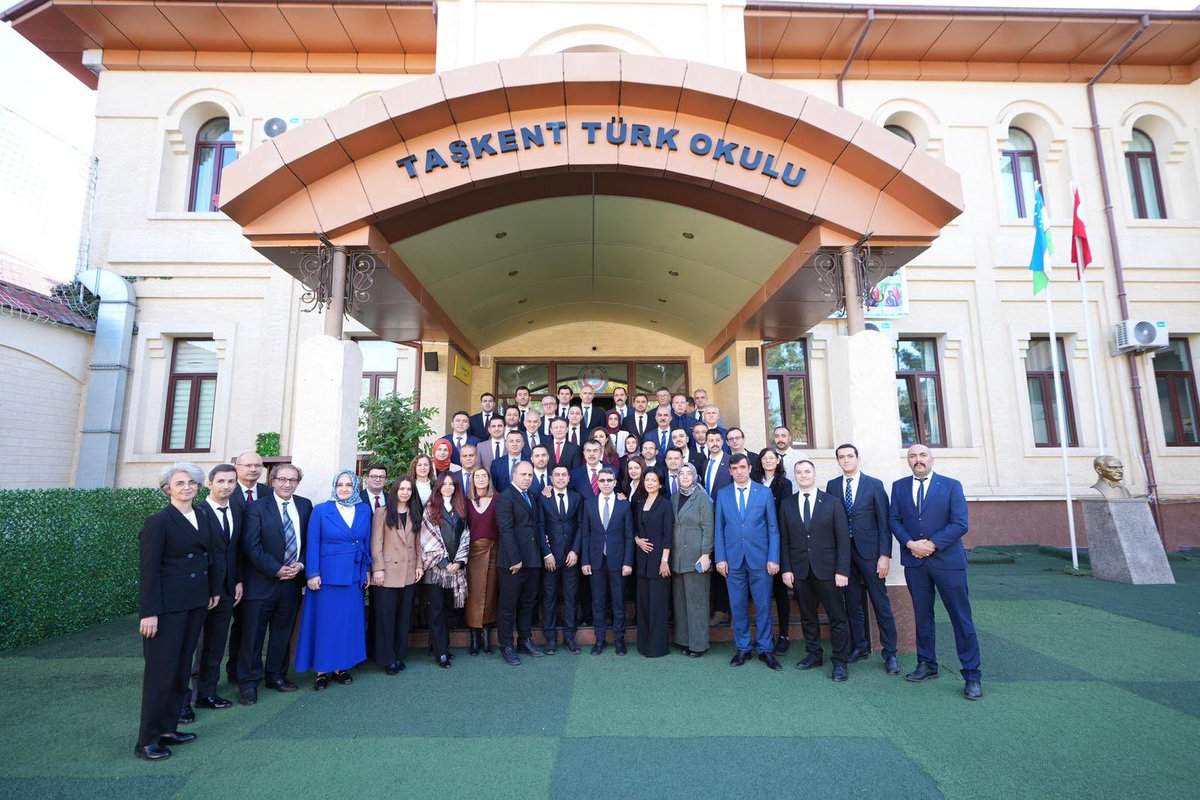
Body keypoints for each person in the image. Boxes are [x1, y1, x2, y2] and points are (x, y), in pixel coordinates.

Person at [135, 462, 221, 761]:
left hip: (195, 603)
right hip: (167, 609)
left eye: (191, 483)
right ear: (167, 489)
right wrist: (149, 612)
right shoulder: (158, 522)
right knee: (161, 674)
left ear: (199, 487)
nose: (187, 487)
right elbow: (148, 571)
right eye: (180, 483)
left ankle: (168, 729)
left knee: (181, 669)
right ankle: (147, 741)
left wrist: (212, 590)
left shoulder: (203, 516)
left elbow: (209, 557)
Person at [890, 444, 982, 701]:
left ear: (932, 459)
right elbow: (894, 520)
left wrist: (931, 545)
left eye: (922, 455)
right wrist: (911, 544)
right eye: (912, 456)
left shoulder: (951, 486)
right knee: (922, 616)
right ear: (908, 461)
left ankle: (972, 675)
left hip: (948, 563)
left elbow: (960, 523)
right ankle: (927, 663)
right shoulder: (899, 487)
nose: (917, 459)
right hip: (915, 563)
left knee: (960, 618)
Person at [238, 463, 311, 706]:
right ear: (272, 481)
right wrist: (276, 569)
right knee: (253, 635)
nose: (287, 484)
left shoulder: (305, 505)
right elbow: (251, 546)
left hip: (292, 583)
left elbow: (309, 542)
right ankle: (248, 683)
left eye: (292, 480)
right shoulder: (256, 508)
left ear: (297, 483)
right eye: (282, 479)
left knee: (282, 632)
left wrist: (301, 564)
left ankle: (276, 676)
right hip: (262, 583)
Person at [294, 470, 372, 690]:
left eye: (349, 485)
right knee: (325, 623)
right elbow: (313, 543)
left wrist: (366, 570)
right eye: (340, 485)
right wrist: (312, 573)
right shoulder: (321, 510)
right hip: (326, 577)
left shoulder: (364, 509)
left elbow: (366, 542)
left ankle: (341, 667)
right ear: (334, 487)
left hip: (353, 575)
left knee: (347, 623)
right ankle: (321, 670)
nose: (344, 489)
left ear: (355, 487)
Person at [826, 443, 899, 675]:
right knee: (852, 603)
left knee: (880, 602)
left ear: (858, 458)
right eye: (841, 457)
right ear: (838, 461)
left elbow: (884, 523)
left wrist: (884, 555)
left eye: (850, 456)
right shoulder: (832, 485)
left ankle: (890, 653)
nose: (846, 460)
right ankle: (860, 645)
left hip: (871, 554)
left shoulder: (874, 485)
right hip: (845, 555)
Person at [780, 460, 851, 682]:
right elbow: (784, 540)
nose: (803, 475)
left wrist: (842, 570)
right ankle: (814, 654)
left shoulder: (832, 502)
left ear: (814, 474)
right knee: (807, 616)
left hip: (829, 571)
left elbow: (843, 540)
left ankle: (840, 662)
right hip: (800, 571)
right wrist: (786, 569)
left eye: (807, 471)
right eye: (799, 472)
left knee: (837, 617)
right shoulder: (787, 504)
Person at [714, 454, 781, 671]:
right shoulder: (723, 494)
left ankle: (765, 648)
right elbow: (719, 529)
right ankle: (743, 648)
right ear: (730, 471)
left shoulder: (764, 492)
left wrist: (773, 558)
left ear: (750, 468)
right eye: (734, 468)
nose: (739, 471)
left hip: (760, 559)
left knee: (763, 605)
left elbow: (773, 528)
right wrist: (720, 558)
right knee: (738, 606)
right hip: (733, 560)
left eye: (742, 467)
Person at [188, 463, 242, 719]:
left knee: (216, 643)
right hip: (203, 591)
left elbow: (235, 551)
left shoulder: (238, 511)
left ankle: (207, 693)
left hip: (228, 590)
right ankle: (189, 695)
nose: (226, 486)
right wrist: (210, 589)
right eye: (221, 481)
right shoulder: (197, 512)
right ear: (210, 484)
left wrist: (238, 581)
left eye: (231, 481)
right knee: (195, 644)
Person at [494, 461, 552, 665]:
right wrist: (515, 559)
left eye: (530, 475)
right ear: (514, 475)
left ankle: (524, 641)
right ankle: (506, 645)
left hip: (532, 560)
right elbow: (506, 530)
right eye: (523, 474)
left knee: (528, 604)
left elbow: (536, 527)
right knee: (508, 606)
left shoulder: (533, 497)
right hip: (513, 563)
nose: (527, 478)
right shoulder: (505, 497)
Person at [370, 477, 422, 675]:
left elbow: (418, 543)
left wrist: (419, 565)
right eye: (402, 489)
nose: (405, 492)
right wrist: (378, 569)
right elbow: (376, 543)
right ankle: (387, 658)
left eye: (409, 489)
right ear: (395, 491)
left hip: (409, 571)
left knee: (403, 617)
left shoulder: (415, 513)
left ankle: (399, 655)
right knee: (386, 618)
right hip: (387, 572)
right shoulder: (382, 513)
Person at [580, 466, 633, 655]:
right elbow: (585, 534)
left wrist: (628, 562)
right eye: (602, 480)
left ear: (614, 482)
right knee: (598, 601)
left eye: (609, 480)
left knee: (618, 601)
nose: (605, 483)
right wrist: (585, 560)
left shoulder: (624, 505)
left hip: (618, 560)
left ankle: (619, 640)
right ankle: (599, 640)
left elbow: (629, 536)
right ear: (597, 482)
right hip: (596, 560)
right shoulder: (589, 503)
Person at [420, 472, 470, 669]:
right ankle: (440, 652)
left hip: (456, 569)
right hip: (436, 569)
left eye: (452, 484)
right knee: (437, 610)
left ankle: (442, 646)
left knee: (450, 609)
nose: (448, 487)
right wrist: (443, 562)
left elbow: (466, 536)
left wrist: (459, 562)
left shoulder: (461, 508)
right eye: (445, 484)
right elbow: (426, 537)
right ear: (439, 486)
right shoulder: (430, 508)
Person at [225, 450, 267, 684]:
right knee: (218, 629)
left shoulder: (268, 493)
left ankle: (240, 671)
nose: (253, 469)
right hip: (229, 572)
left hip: (260, 573)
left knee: (248, 625)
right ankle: (205, 680)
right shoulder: (225, 492)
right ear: (237, 467)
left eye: (257, 465)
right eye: (247, 465)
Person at [753, 448, 794, 654]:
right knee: (761, 591)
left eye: (772, 458)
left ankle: (784, 635)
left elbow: (783, 513)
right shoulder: (754, 482)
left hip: (776, 540)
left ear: (778, 461)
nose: (768, 461)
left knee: (779, 590)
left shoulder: (785, 484)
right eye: (764, 458)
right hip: (756, 543)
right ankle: (764, 635)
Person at [540, 465, 584, 654]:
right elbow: (540, 526)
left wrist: (575, 551)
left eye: (564, 475)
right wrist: (546, 553)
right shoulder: (543, 498)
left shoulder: (577, 498)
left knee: (571, 598)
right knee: (549, 598)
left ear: (568, 478)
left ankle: (569, 638)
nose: (560, 478)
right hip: (550, 557)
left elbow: (581, 526)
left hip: (571, 558)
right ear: (551, 478)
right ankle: (550, 639)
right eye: (556, 475)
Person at [670, 463, 713, 657]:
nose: (685, 476)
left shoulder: (702, 498)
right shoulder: (674, 498)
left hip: (697, 557)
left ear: (695, 476)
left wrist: (706, 554)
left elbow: (708, 528)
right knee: (680, 602)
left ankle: (698, 645)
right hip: (678, 558)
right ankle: (684, 640)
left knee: (697, 602)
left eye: (689, 473)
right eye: (682, 473)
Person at [633, 471, 673, 658]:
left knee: (657, 605)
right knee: (643, 604)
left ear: (661, 484)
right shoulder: (640, 502)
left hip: (659, 560)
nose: (649, 483)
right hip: (642, 560)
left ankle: (657, 647)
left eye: (653, 480)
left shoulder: (665, 504)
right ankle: (644, 645)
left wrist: (664, 561)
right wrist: (637, 540)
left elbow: (668, 534)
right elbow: (634, 528)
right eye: (647, 479)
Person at [465, 467, 500, 655]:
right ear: (472, 480)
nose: (480, 479)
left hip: (494, 551)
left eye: (483, 476)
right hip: (472, 554)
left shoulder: (498, 499)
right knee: (473, 595)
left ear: (489, 479)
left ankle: (486, 637)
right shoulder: (466, 501)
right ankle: (474, 638)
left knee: (490, 593)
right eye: (476, 476)